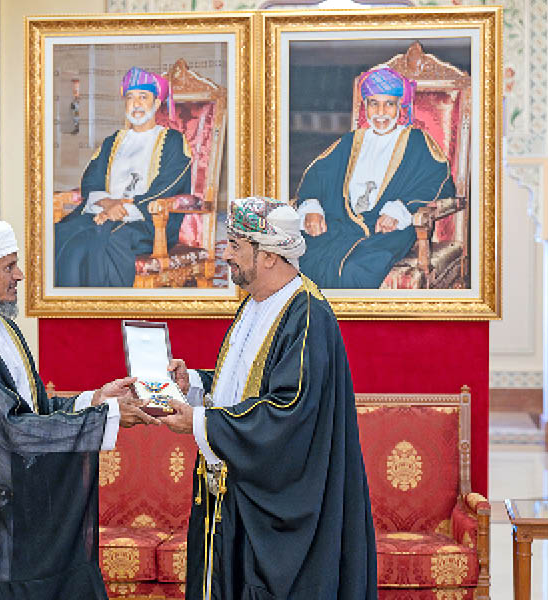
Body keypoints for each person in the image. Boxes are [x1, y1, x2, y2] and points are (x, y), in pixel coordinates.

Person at [0, 221, 159, 599]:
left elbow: (36, 409)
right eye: (9, 267)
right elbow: (12, 429)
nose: (20, 276)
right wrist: (107, 418)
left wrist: (95, 400)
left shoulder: (6, 331)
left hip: (13, 512)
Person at [160, 197, 377, 599]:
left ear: (270, 256)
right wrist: (194, 384)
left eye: (236, 246)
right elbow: (247, 384)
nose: (226, 254)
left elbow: (287, 411)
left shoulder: (307, 315)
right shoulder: (256, 304)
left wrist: (199, 422)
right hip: (233, 498)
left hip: (277, 513)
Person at [295, 66, 456, 288]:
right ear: (365, 106)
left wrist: (400, 208)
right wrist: (312, 207)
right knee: (299, 259)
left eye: (389, 104)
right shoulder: (351, 141)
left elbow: (438, 181)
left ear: (401, 106)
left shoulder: (417, 141)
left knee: (355, 268)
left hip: (388, 229)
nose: (381, 112)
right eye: (373, 103)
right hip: (342, 223)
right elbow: (318, 175)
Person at [54, 66, 192, 287]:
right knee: (61, 234)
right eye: (130, 97)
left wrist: (122, 210)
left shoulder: (173, 141)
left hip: (146, 222)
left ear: (157, 103)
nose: (136, 104)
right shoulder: (113, 141)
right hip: (101, 213)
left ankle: (104, 305)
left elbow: (168, 186)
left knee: (100, 240)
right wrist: (108, 204)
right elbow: (91, 179)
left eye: (143, 97)